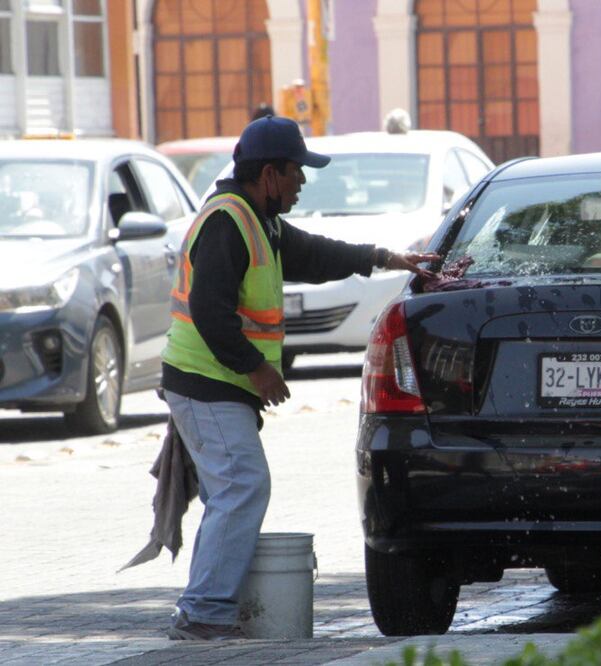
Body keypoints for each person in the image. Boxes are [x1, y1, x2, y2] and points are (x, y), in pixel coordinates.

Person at [160, 116, 437, 641]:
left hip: (215, 383)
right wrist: (259, 369)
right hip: (205, 381)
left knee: (232, 490)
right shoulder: (228, 222)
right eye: (296, 171)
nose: (302, 182)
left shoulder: (257, 220)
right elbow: (210, 313)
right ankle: (203, 613)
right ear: (269, 174)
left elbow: (314, 253)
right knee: (243, 485)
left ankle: (205, 609)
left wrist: (383, 257)